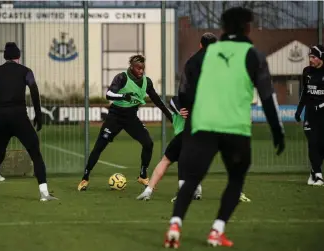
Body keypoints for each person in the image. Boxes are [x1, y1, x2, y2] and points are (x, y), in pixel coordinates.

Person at [164, 7, 285, 249]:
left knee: (191, 178)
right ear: (247, 27)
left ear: (224, 27)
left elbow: (186, 90)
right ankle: (217, 230)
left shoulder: (204, 55)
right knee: (236, 178)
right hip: (234, 127)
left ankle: (175, 224)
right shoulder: (253, 55)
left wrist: (188, 114)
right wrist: (276, 130)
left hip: (203, 124)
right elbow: (267, 95)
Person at [0, 42, 57, 202]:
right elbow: (34, 90)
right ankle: (44, 193)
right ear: (18, 56)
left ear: (5, 57)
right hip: (19, 118)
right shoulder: (25, 71)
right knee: (35, 153)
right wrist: (38, 115)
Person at [77, 55, 173, 191]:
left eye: (143, 68)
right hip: (115, 117)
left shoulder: (147, 82)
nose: (141, 71)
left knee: (148, 143)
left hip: (131, 118)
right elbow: (109, 94)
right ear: (132, 67)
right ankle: (85, 178)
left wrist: (171, 116)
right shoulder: (121, 77)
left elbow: (158, 101)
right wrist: (123, 96)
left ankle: (143, 175)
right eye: (138, 68)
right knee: (99, 146)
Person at [136, 97, 251, 203]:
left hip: (185, 137)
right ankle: (204, 190)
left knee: (169, 162)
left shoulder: (185, 103)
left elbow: (173, 101)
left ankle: (151, 191)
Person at [295, 45, 324, 186]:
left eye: (314, 57)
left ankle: (313, 171)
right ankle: (318, 175)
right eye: (310, 57)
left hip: (323, 115)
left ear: (321, 57)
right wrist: (299, 110)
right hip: (310, 114)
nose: (311, 60)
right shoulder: (306, 72)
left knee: (321, 146)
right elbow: (304, 94)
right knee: (312, 143)